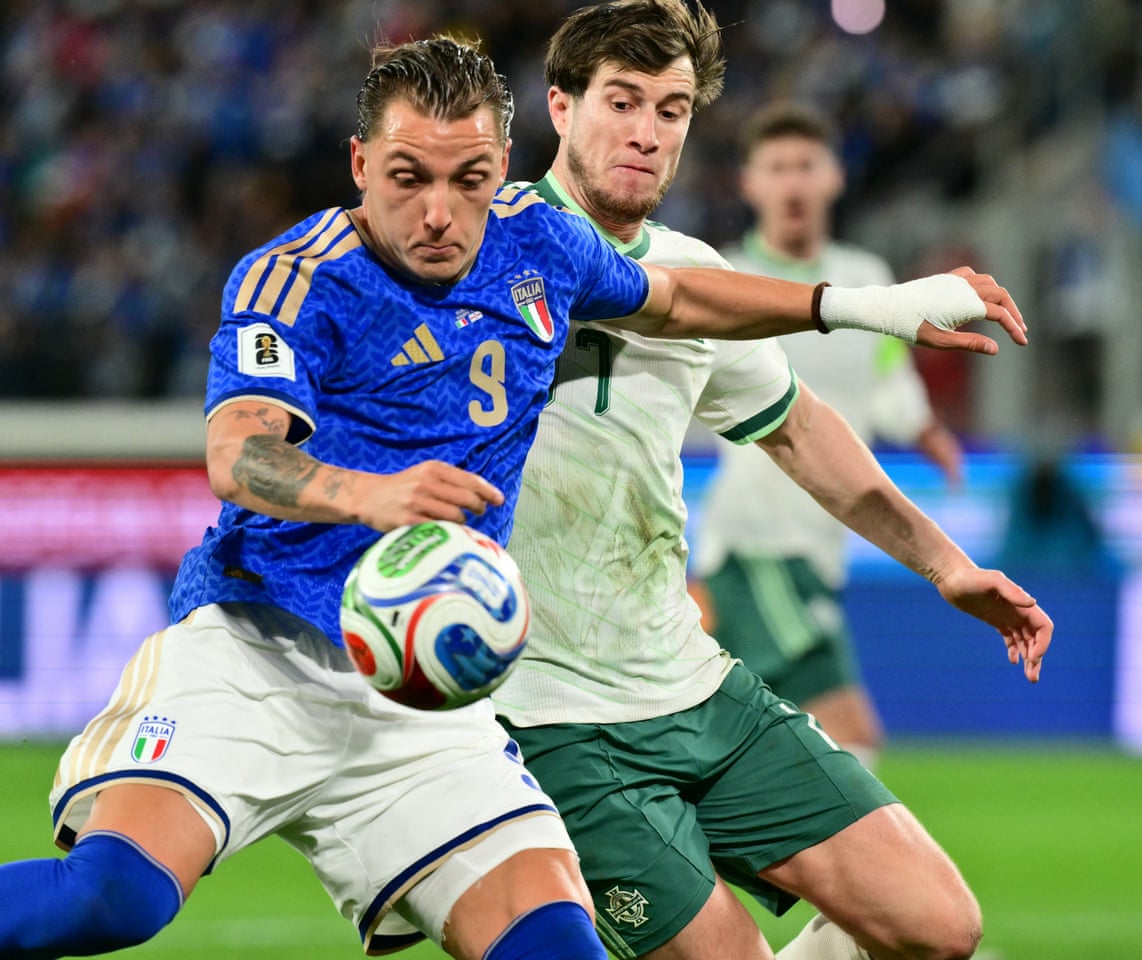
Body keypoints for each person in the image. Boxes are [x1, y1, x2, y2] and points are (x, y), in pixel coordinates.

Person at [0, 33, 1032, 960]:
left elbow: (680, 300)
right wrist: (369, 496)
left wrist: (867, 307)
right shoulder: (294, 277)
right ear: (362, 165)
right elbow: (238, 455)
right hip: (262, 654)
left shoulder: (539, 246)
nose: (442, 211)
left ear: (500, 171)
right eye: (408, 178)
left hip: (430, 704)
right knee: (113, 903)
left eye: (471, 179)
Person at [491, 4, 1052, 960]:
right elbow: (664, 304)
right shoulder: (487, 244)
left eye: (671, 111)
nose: (645, 132)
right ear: (559, 106)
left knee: (938, 925)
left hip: (690, 685)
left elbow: (799, 430)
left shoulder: (690, 265)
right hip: (549, 715)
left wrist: (946, 565)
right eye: (621, 102)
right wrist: (876, 307)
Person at [695, 102, 964, 772]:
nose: (792, 182)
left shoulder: (866, 279)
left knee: (737, 745)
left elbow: (885, 378)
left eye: (805, 165)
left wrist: (925, 428)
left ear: (834, 178)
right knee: (850, 731)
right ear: (750, 185)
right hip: (760, 543)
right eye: (776, 167)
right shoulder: (721, 280)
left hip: (820, 545)